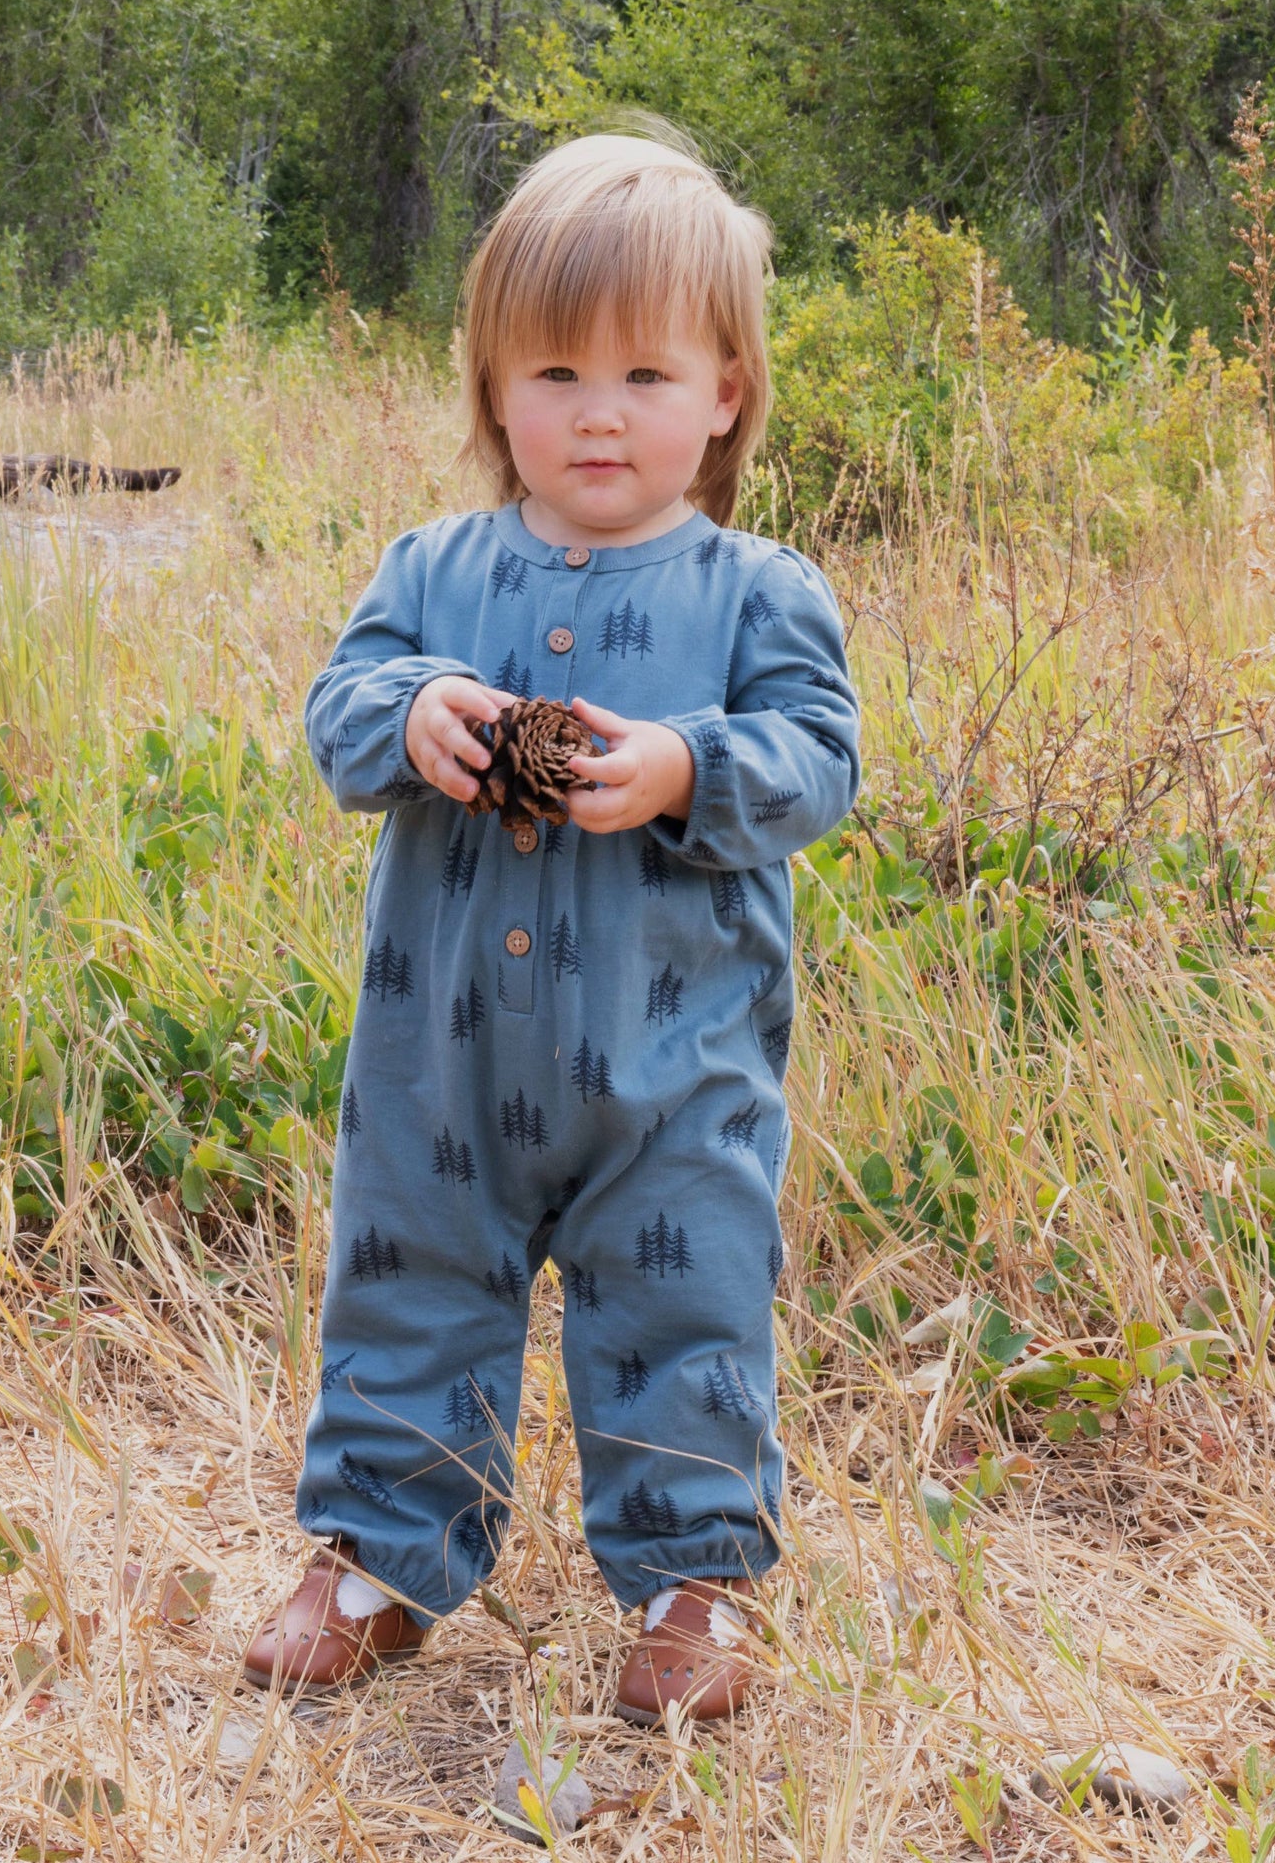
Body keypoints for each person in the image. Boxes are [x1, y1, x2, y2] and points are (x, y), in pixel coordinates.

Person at [241, 131, 861, 1725]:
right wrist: (414, 712)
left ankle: (687, 1587)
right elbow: (338, 714)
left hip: (671, 1064)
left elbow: (818, 760)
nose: (599, 412)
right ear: (492, 388)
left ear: (723, 392)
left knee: (683, 1304)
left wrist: (683, 765)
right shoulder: (432, 571)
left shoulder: (755, 590)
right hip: (438, 1058)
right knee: (408, 1287)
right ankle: (376, 1563)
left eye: (646, 374)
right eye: (557, 372)